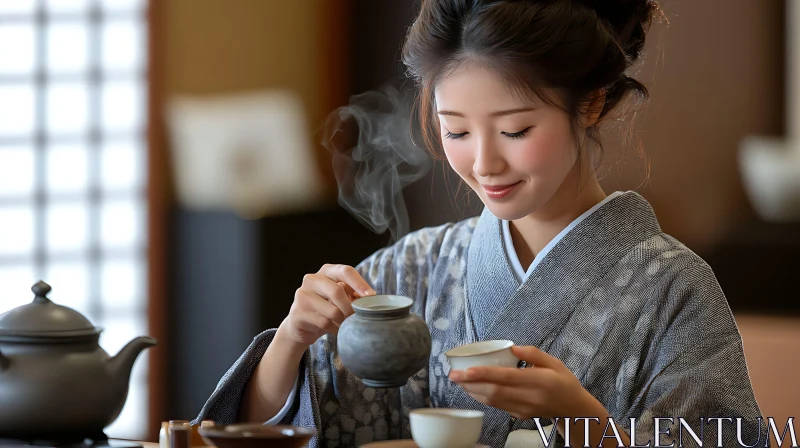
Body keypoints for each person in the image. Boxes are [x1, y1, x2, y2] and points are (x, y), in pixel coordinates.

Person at [194, 0, 768, 447]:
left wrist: (588, 424)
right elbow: (259, 434)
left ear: (590, 104)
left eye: (515, 130)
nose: (484, 162)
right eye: (457, 131)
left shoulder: (673, 290)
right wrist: (291, 343)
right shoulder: (406, 270)